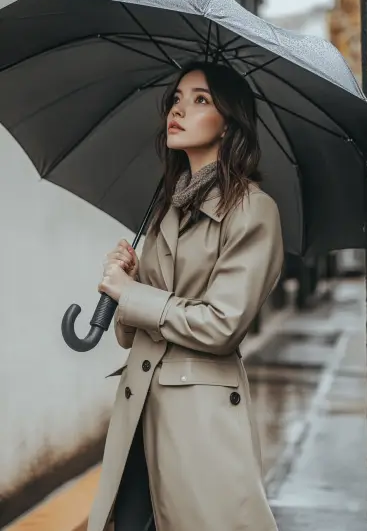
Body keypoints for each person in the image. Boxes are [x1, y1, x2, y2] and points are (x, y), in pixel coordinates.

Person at [87, 61, 284, 531]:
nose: (179, 109)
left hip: (197, 418)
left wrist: (133, 294)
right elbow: (133, 333)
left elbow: (222, 324)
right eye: (177, 98)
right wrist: (126, 280)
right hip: (140, 408)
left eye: (201, 100)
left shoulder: (253, 212)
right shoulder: (168, 207)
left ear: (228, 123)